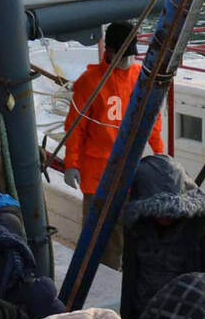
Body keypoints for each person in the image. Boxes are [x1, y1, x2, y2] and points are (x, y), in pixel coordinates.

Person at [63, 20, 165, 270]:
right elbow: (76, 127)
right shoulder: (89, 82)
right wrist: (71, 164)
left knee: (131, 234)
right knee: (100, 237)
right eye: (123, 54)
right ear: (108, 50)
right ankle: (99, 280)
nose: (127, 60)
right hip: (98, 176)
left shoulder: (141, 77)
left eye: (131, 54)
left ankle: (124, 281)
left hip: (131, 172)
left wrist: (162, 156)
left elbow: (153, 122)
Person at [118, 153, 205, 319]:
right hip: (144, 318)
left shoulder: (201, 227)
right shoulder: (138, 226)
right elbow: (131, 276)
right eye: (157, 211)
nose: (164, 216)